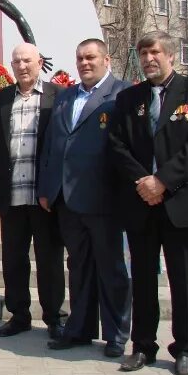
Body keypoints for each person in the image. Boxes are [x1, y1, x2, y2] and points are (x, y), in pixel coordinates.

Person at [108, 31, 188, 375]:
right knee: (141, 278)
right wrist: (144, 181)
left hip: (182, 201)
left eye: (155, 52)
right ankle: (142, 347)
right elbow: (117, 145)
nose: (148, 59)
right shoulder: (129, 98)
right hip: (141, 202)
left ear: (170, 55)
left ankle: (185, 349)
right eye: (143, 54)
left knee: (184, 278)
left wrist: (163, 181)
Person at [38, 38, 131, 357]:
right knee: (78, 267)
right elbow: (52, 146)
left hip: (104, 199)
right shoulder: (66, 97)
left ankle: (117, 334)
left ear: (107, 59)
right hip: (67, 199)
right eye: (80, 58)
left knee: (111, 268)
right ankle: (80, 329)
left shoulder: (121, 94)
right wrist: (47, 189)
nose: (84, 63)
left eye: (91, 57)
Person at [0, 42, 66, 339]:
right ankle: (19, 315)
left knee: (49, 260)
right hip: (12, 196)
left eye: (27, 61)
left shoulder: (58, 97)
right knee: (14, 260)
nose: (22, 66)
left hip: (43, 196)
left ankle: (54, 317)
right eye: (17, 61)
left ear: (39, 62)